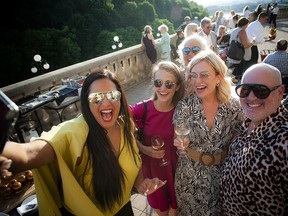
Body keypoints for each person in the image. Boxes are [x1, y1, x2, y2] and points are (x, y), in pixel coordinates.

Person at [0, 69, 166, 215]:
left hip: (124, 209)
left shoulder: (125, 125)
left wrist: (141, 183)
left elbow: (131, 159)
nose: (106, 102)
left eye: (113, 96)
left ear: (120, 99)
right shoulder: (74, 132)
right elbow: (29, 153)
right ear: (86, 101)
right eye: (97, 97)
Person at [173, 50, 244, 215]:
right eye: (194, 75)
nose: (198, 81)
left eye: (204, 75)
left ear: (218, 77)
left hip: (223, 177)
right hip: (189, 178)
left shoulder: (234, 107)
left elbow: (242, 138)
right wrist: (179, 142)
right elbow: (178, 136)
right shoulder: (185, 106)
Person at [218, 63, 288, 215]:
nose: (251, 97)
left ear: (280, 92)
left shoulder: (284, 139)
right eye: (245, 90)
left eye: (261, 91)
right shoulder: (247, 123)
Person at [131, 61, 185, 216]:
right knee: (162, 211)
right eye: (158, 83)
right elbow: (123, 130)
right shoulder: (142, 109)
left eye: (169, 84)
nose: (162, 88)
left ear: (177, 86)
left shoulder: (181, 110)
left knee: (176, 210)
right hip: (153, 171)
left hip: (176, 170)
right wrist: (143, 148)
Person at [228, 17, 255, 83]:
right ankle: (238, 84)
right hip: (241, 54)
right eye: (247, 24)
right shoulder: (242, 32)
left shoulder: (234, 30)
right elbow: (245, 45)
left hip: (235, 53)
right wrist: (252, 43)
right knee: (240, 71)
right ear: (245, 24)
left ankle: (234, 79)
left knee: (237, 69)